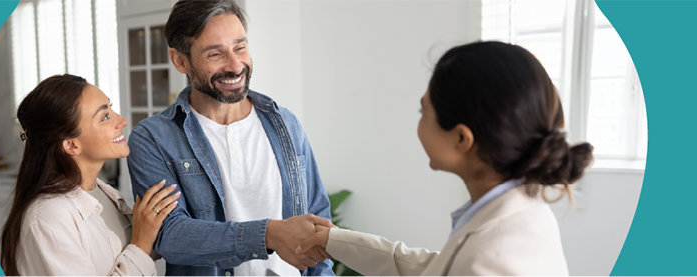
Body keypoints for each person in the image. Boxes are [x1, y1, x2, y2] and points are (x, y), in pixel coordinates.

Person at [294, 41, 594, 276]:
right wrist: (336, 241)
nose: (419, 121)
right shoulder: (520, 211)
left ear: (462, 139)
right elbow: (436, 269)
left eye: (423, 111)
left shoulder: (490, 256)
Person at [125, 0, 336, 276]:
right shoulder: (153, 138)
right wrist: (267, 234)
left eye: (240, 47)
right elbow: (171, 235)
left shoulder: (285, 123)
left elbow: (318, 222)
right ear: (180, 60)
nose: (236, 66)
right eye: (215, 54)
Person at [0, 74, 180, 277]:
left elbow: (132, 252)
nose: (122, 120)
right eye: (105, 117)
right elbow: (139, 248)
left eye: (110, 109)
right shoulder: (49, 217)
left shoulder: (100, 192)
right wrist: (142, 244)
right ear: (71, 144)